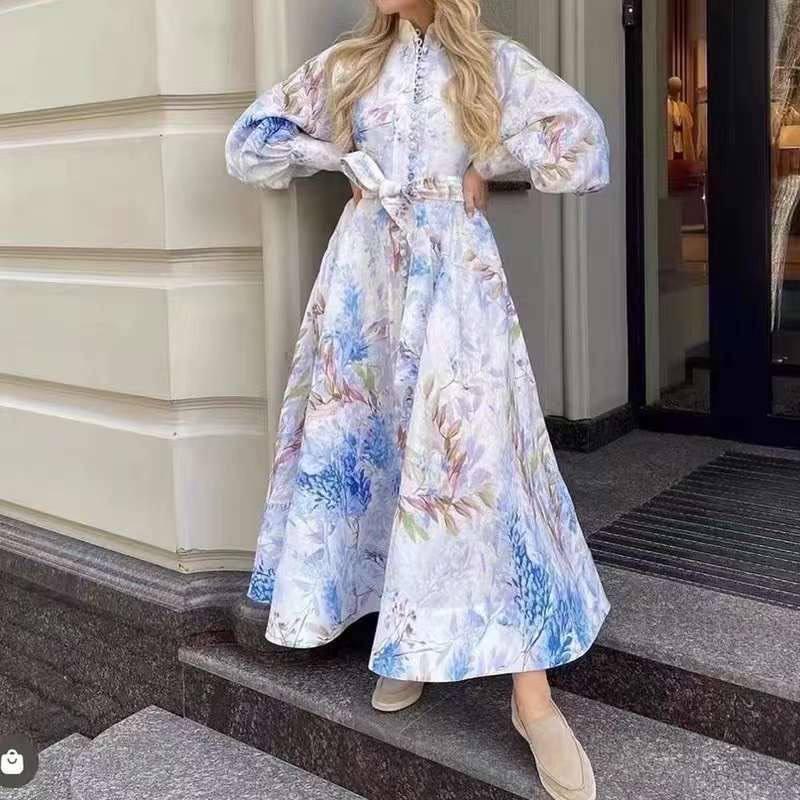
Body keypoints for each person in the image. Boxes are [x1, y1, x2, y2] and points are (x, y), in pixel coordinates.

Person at [225, 2, 611, 798]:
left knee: (478, 470)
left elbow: (582, 142)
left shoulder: (491, 61)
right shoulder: (350, 64)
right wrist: (334, 156)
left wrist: (489, 164)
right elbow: (250, 140)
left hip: (455, 281)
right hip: (366, 277)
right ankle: (409, 642)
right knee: (386, 452)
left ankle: (532, 699)